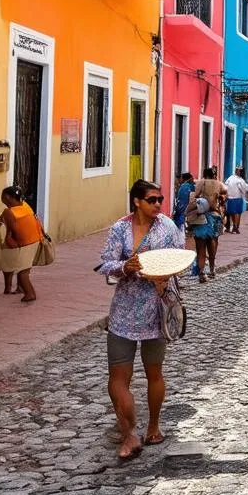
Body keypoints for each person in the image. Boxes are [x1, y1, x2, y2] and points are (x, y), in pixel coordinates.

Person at [98, 179, 184, 461]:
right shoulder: (120, 229)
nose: (158, 204)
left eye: (160, 199)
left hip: (156, 310)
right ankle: (128, 433)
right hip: (124, 310)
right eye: (152, 200)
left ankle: (154, 426)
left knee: (154, 372)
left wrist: (167, 275)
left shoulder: (167, 227)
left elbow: (183, 260)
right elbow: (105, 264)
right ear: (137, 202)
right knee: (118, 377)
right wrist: (125, 266)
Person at [0, 185, 42, 303]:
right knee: (24, 267)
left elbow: (10, 232)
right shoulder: (25, 206)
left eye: (2, 197)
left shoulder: (8, 212)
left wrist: (10, 243)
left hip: (24, 243)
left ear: (7, 197)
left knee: (22, 272)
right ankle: (20, 288)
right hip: (35, 240)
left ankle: (30, 294)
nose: (2, 199)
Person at [186, 167, 226, 283]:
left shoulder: (201, 183)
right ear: (214, 175)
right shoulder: (219, 184)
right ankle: (212, 269)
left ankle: (202, 273)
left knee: (200, 246)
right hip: (215, 215)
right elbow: (224, 196)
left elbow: (195, 196)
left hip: (201, 217)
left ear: (204, 175)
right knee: (214, 242)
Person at [224, 166, 248, 234]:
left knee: (233, 213)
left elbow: (225, 186)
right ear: (237, 171)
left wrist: (226, 195)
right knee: (237, 213)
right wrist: (246, 192)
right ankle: (235, 226)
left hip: (230, 198)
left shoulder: (230, 178)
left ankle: (234, 226)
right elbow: (245, 189)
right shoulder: (240, 180)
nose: (240, 172)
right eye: (239, 171)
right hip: (238, 198)